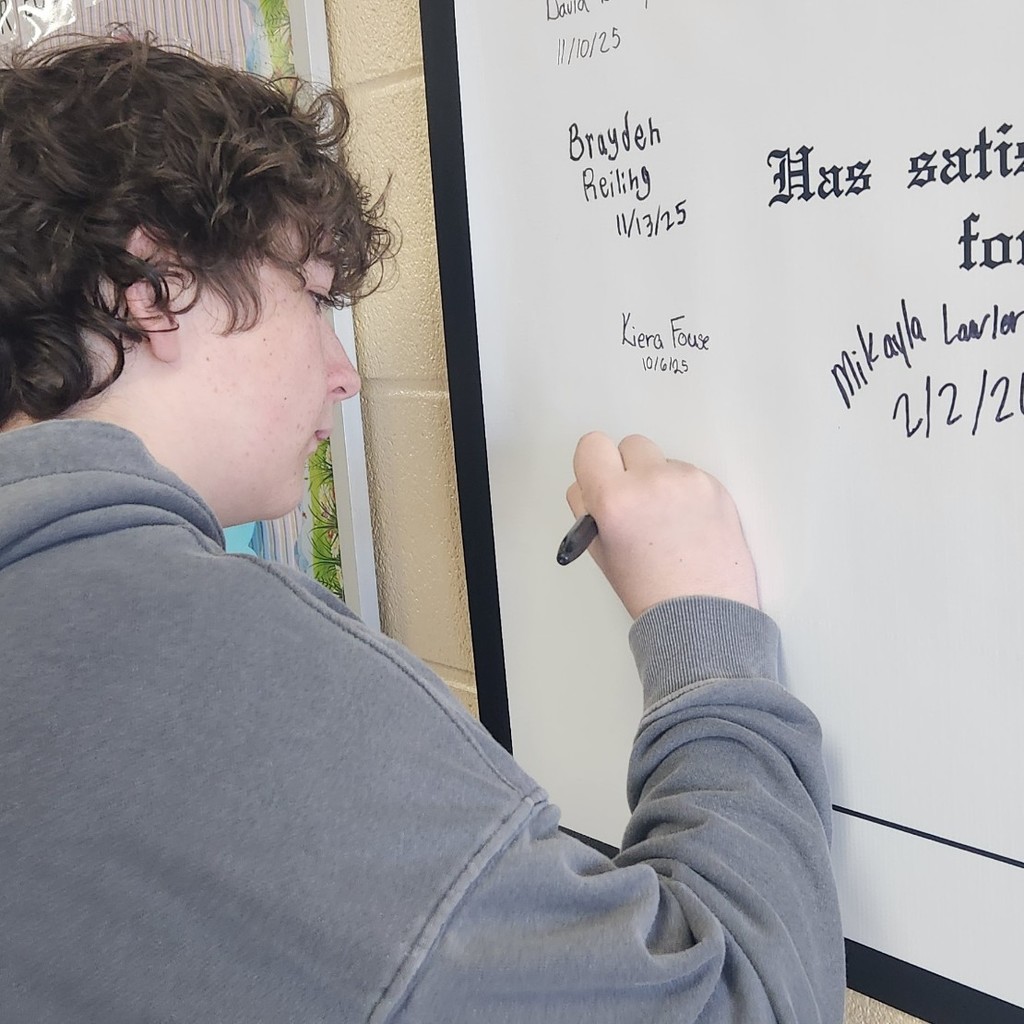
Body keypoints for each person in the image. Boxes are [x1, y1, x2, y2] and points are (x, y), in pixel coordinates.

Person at [0, 36, 845, 1023]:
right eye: (315, 298)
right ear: (152, 291)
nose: (342, 371)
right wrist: (704, 633)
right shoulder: (208, 657)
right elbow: (739, 1002)